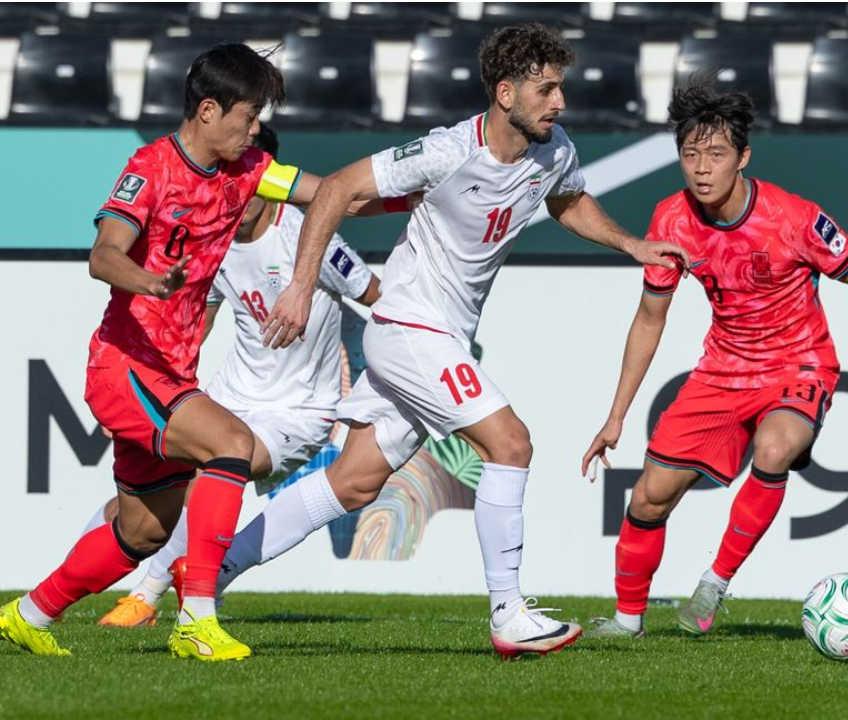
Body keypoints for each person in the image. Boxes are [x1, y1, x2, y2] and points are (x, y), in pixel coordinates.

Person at [258, 23, 689, 659]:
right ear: (505, 92)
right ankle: (507, 614)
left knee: (351, 484)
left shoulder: (554, 148)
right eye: (546, 90)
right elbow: (342, 191)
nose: (559, 102)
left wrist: (630, 243)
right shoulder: (447, 150)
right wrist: (300, 286)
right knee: (511, 442)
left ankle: (209, 573)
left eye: (560, 88)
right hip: (409, 327)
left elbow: (568, 199)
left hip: (443, 338)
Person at [0, 44, 401, 661]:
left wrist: (422, 189)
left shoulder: (254, 170)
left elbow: (336, 194)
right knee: (231, 445)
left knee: (142, 532)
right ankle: (197, 619)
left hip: (171, 374)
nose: (256, 128)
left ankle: (30, 613)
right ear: (208, 110)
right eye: (248, 115)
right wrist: (148, 280)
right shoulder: (150, 168)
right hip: (126, 367)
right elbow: (103, 254)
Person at [582, 76, 848, 639]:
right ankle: (628, 621)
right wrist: (616, 415)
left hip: (798, 365)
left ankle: (714, 585)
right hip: (721, 370)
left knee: (773, 449)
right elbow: (650, 318)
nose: (702, 168)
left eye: (717, 154)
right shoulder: (671, 220)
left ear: (743, 157)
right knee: (649, 498)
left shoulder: (793, 218)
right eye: (690, 154)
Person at [88, 124, 383, 628]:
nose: (235, 191)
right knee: (139, 500)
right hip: (230, 394)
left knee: (213, 469)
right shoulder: (215, 236)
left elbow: (377, 297)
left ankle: (148, 595)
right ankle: (45, 597)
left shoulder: (306, 238)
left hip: (299, 408)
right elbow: (199, 320)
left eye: (248, 181)